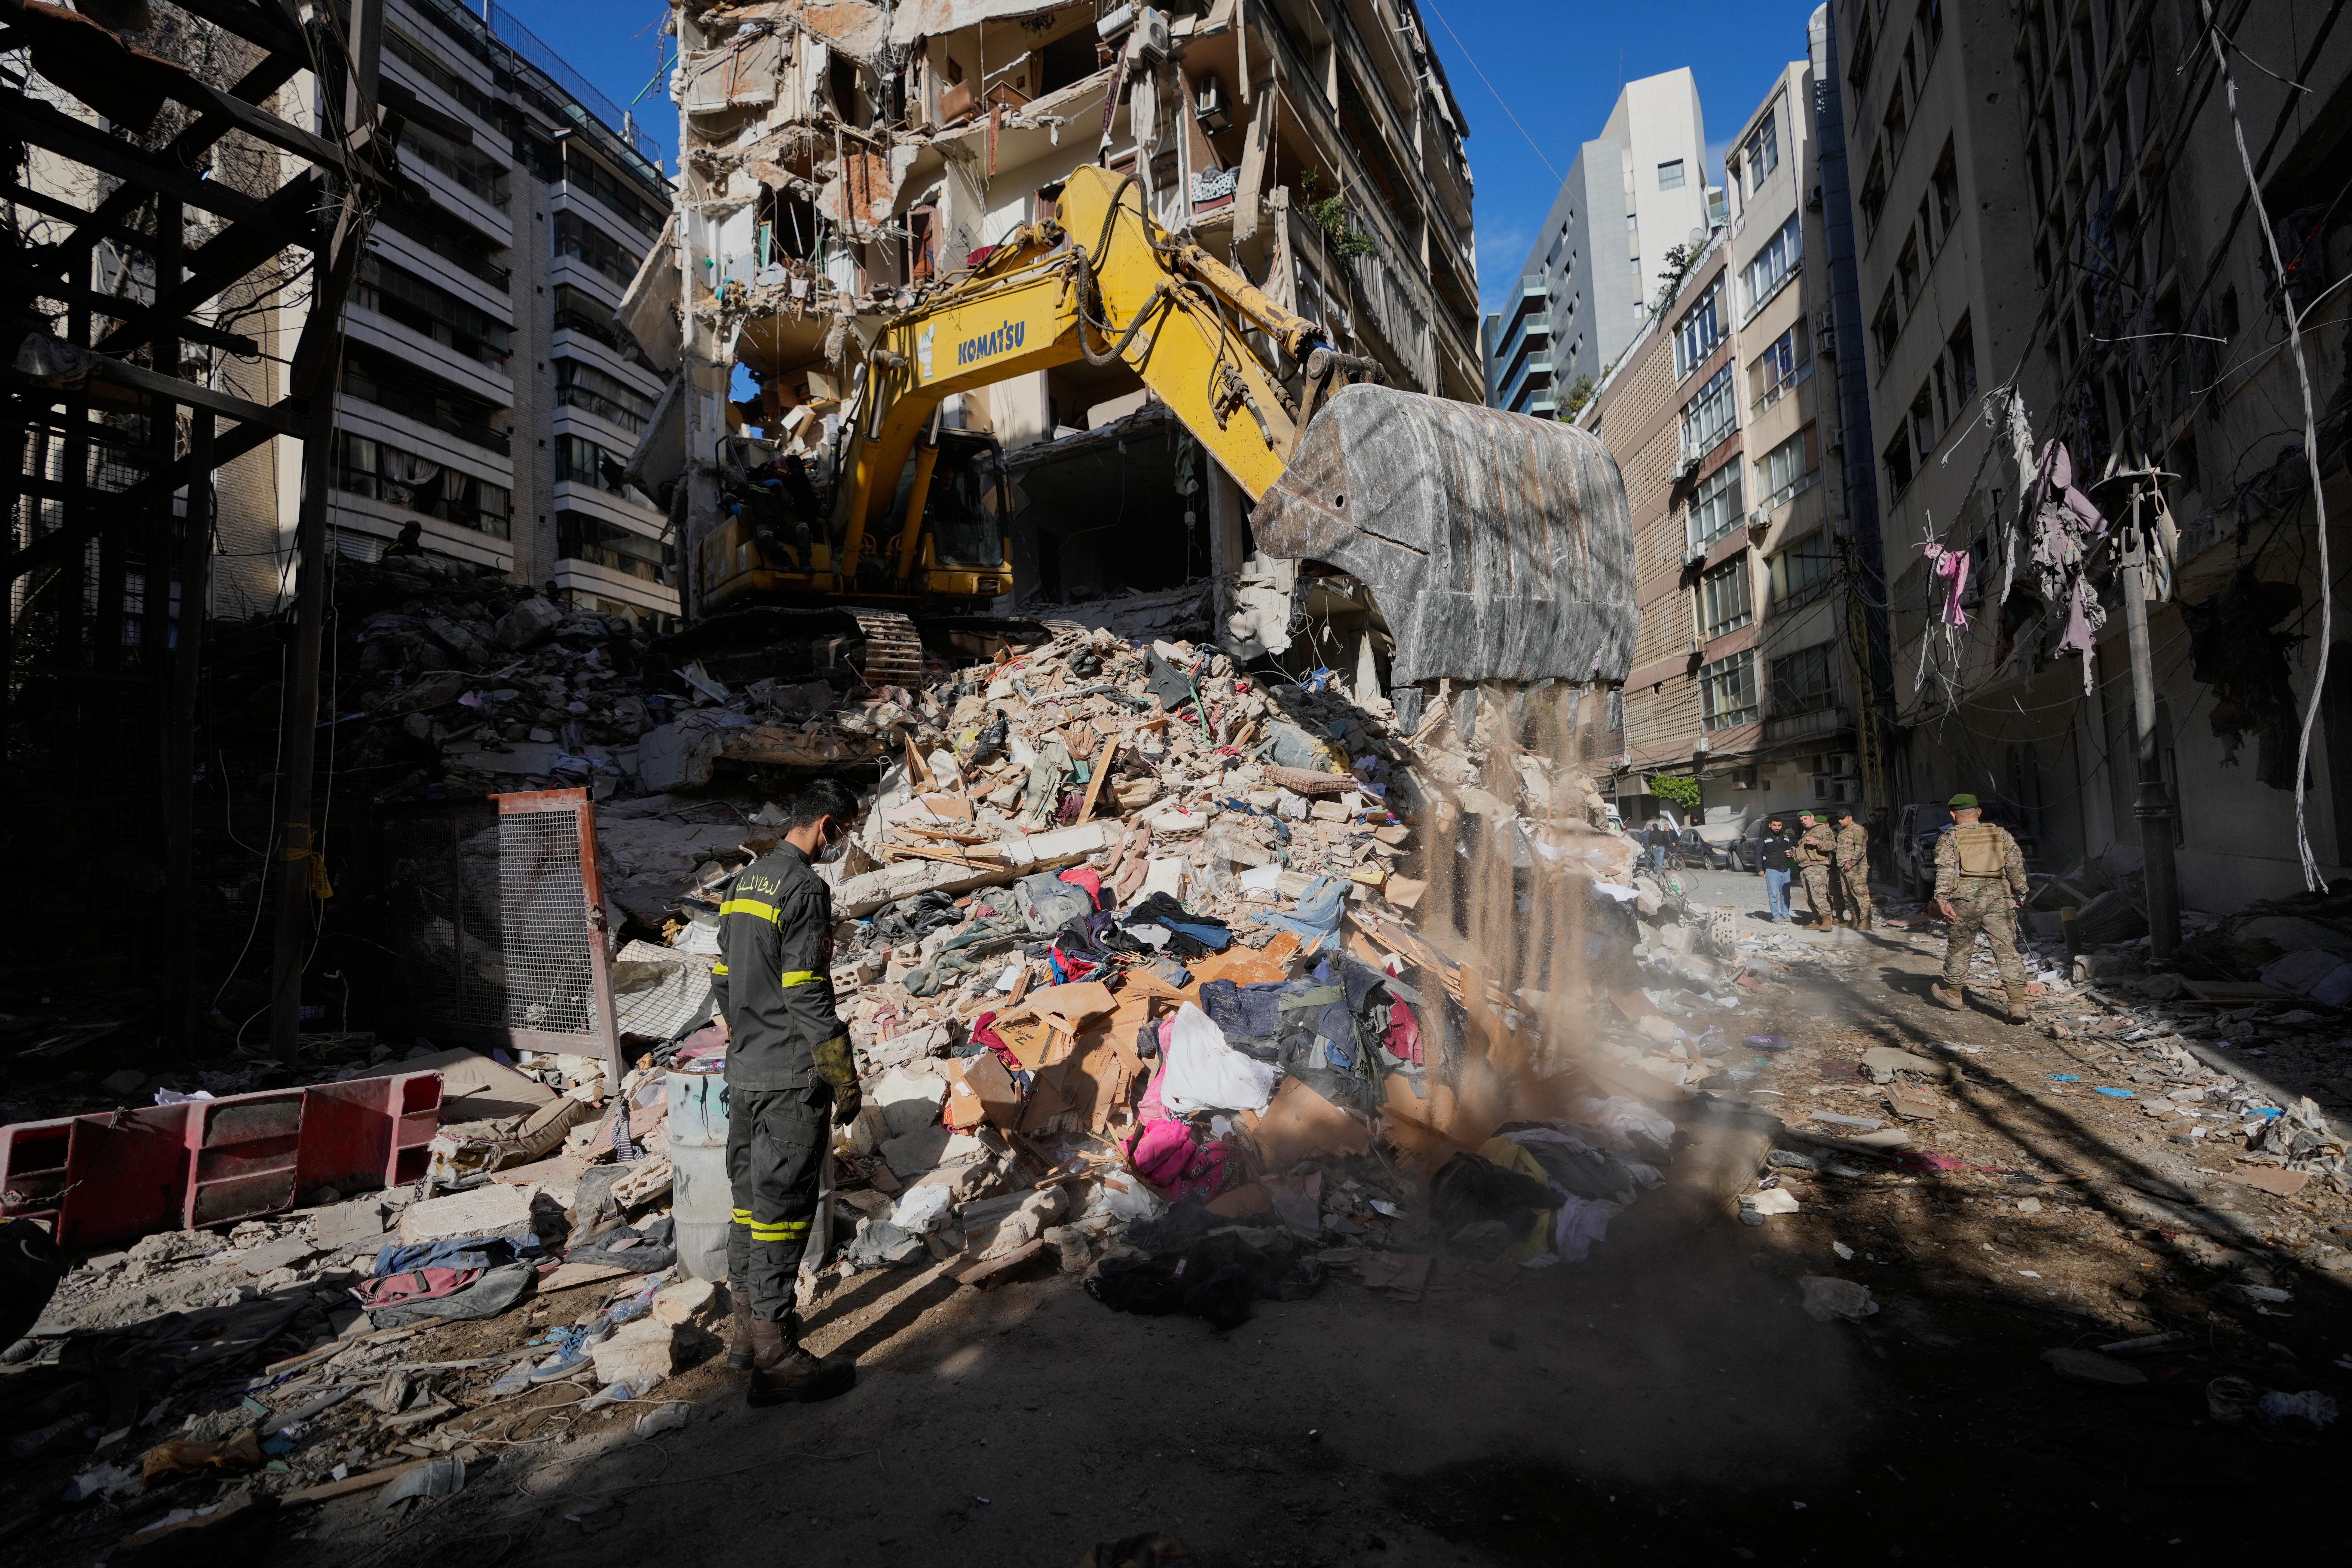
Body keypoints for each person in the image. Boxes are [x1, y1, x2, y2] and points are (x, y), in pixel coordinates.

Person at [711, 777, 864, 1404]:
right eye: (844, 832)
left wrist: (750, 1031)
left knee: (748, 1205)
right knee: (781, 1211)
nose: (841, 844)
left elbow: (722, 977)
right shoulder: (804, 887)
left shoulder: (743, 881)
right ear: (827, 824)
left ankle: (744, 1335)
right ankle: (775, 1352)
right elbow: (806, 987)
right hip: (786, 1077)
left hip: (745, 1068)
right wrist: (839, 1065)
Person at [1933, 792, 2032, 1022]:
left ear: (1953, 814)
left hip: (1965, 900)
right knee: (2007, 950)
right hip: (1999, 898)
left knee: (1960, 947)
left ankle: (1954, 994)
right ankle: (2017, 1004)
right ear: (1979, 812)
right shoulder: (2000, 834)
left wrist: (1942, 900)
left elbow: (1946, 871)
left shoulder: (1950, 837)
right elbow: (2016, 867)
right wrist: (2020, 894)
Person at [1830, 805, 1873, 931]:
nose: (1840, 821)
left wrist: (1851, 863)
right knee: (1848, 895)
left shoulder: (1859, 830)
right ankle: (1856, 919)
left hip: (1856, 869)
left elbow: (1860, 850)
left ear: (1850, 818)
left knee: (1861, 894)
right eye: (1839, 819)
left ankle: (1866, 921)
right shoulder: (1843, 831)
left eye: (1843, 818)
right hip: (1844, 869)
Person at [1792, 809, 1837, 927]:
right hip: (1805, 867)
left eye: (1805, 819)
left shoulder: (1823, 829)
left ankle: (1827, 921)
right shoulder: (1806, 833)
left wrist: (1818, 842)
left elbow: (1833, 845)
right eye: (1801, 820)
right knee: (1809, 897)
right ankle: (1818, 920)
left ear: (1812, 817)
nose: (1803, 822)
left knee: (1819, 895)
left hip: (1817, 868)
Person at [1755, 814, 1796, 921]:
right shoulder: (1764, 839)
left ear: (1782, 826)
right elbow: (1758, 854)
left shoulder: (1786, 838)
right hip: (1772, 870)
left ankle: (1786, 915)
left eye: (1779, 826)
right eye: (1775, 825)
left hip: (1786, 870)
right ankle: (1777, 916)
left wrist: (1791, 853)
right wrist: (1760, 869)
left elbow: (1792, 849)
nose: (1777, 828)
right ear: (1770, 826)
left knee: (1786, 895)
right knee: (1773, 895)